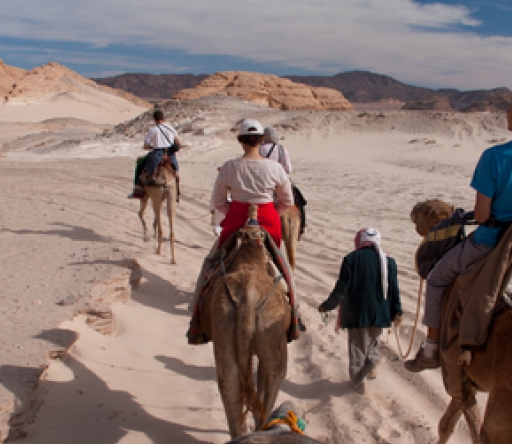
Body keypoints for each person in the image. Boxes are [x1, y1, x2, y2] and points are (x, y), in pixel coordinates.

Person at [404, 85, 512, 372]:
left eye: (511, 108)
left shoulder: (494, 156)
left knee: (438, 277)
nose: (507, 113)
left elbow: (481, 215)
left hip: (492, 240)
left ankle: (431, 348)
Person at [187, 119, 297, 342]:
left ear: (240, 142)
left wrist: (236, 211)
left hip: (236, 220)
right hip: (267, 220)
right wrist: (271, 210)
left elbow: (218, 202)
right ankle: (295, 317)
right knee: (283, 267)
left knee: (209, 264)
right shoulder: (275, 168)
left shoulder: (229, 167)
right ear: (261, 140)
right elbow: (287, 201)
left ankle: (197, 316)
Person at [318, 227, 402, 394]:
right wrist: (397, 311)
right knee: (373, 344)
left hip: (356, 314)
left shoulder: (351, 259)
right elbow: (394, 289)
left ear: (360, 240)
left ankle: (358, 385)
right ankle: (371, 368)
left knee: (357, 349)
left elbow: (341, 289)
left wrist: (327, 305)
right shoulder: (388, 261)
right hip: (380, 313)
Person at [129, 109, 182, 199]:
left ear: (154, 119)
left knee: (139, 165)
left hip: (157, 154)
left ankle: (138, 189)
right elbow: (178, 142)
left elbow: (146, 146)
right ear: (163, 118)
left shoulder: (153, 130)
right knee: (175, 171)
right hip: (170, 154)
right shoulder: (170, 128)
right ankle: (177, 189)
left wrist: (152, 147)